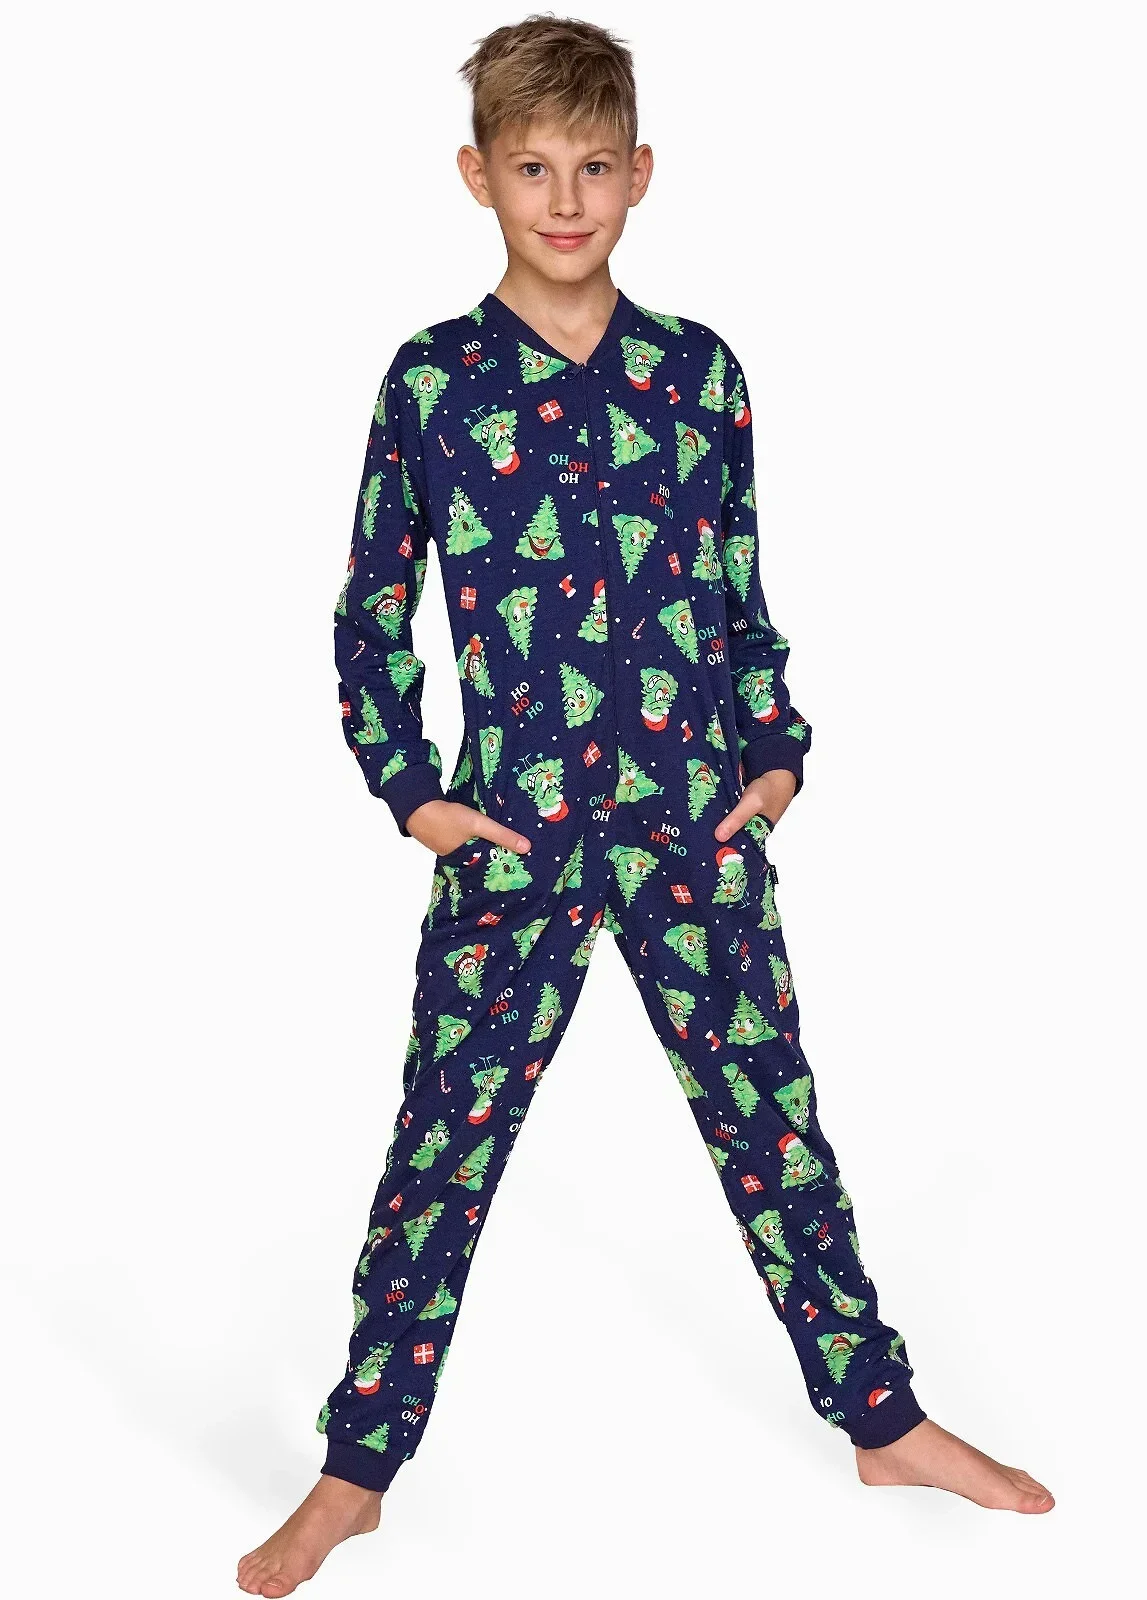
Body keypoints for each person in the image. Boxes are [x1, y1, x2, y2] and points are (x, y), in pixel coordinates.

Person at [237, 13, 1054, 1595]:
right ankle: (354, 1473)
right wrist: (413, 795)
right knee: (439, 1154)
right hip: (514, 839)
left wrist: (774, 754)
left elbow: (737, 592)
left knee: (776, 1128)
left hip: (694, 826)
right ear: (475, 175)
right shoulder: (432, 382)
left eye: (594, 167)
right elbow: (370, 610)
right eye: (532, 168)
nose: (565, 200)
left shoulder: (697, 375)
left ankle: (882, 1418)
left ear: (642, 174)